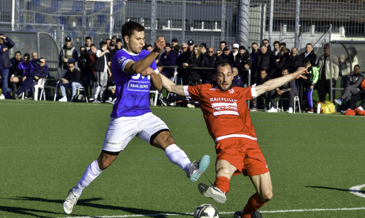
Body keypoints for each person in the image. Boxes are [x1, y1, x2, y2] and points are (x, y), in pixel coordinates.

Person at [62, 21, 210, 215]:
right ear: (126, 39)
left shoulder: (147, 56)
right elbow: (134, 68)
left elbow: (157, 86)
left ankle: (189, 168)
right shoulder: (119, 56)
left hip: (145, 114)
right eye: (138, 39)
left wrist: (153, 70)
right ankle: (76, 191)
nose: (142, 43)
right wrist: (153, 55)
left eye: (143, 39)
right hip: (123, 118)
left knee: (167, 139)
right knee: (104, 162)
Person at [159, 60, 307, 218]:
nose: (225, 79)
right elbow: (172, 87)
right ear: (215, 76)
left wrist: (293, 75)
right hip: (227, 142)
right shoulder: (204, 90)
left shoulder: (240, 92)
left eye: (228, 75)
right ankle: (219, 190)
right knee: (224, 170)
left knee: (266, 194)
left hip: (250, 144)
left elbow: (267, 86)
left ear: (233, 76)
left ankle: (245, 214)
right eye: (221, 75)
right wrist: (152, 69)